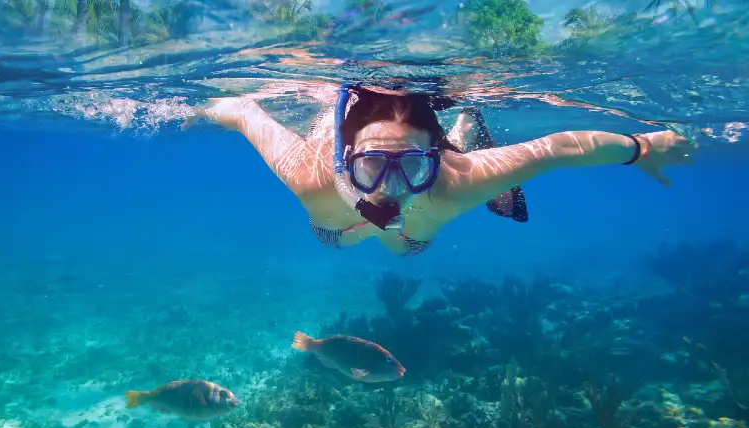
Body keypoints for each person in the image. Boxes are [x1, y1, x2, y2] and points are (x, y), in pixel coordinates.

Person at [184, 83, 696, 256]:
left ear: (436, 156)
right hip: (336, 228)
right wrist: (201, 107)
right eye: (371, 166)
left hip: (414, 235)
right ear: (345, 161)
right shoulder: (311, 174)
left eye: (410, 165)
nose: (390, 186)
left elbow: (559, 147)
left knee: (405, 247)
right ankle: (465, 132)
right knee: (348, 235)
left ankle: (465, 130)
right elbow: (245, 112)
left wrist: (642, 148)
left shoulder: (456, 180)